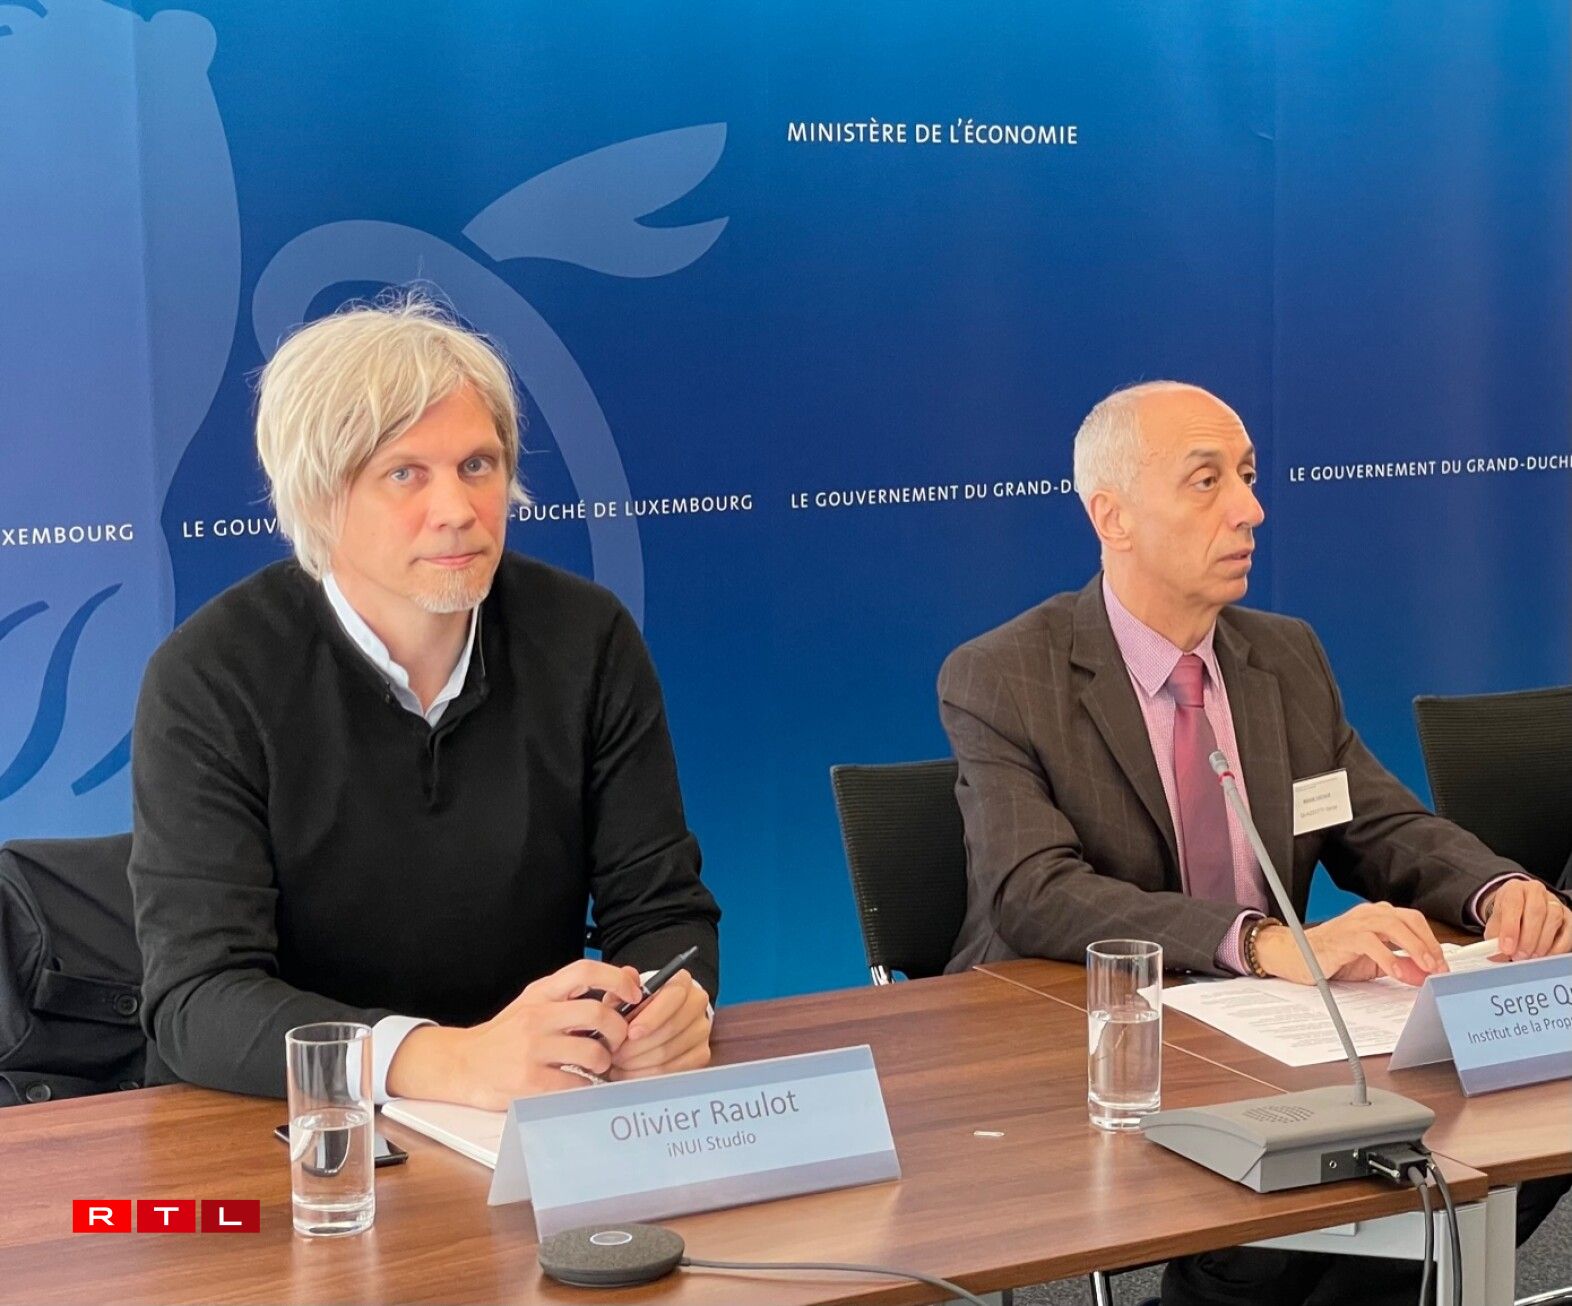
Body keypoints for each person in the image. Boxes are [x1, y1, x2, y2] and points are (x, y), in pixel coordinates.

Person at [939, 380, 1570, 1305]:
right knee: (1330, 1203)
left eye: (1248, 475)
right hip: (1087, 1042)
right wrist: (1263, 941)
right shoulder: (1005, 675)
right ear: (1111, 516)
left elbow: (1377, 823)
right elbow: (1033, 889)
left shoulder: (1284, 656)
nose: (1250, 509)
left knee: (1523, 1139)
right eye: (1208, 482)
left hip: (1269, 1042)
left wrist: (1495, 890)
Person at [130, 296, 720, 1111]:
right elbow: (198, 999)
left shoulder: (588, 637)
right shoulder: (210, 675)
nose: (458, 511)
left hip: (537, 1108)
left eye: (477, 465)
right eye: (405, 473)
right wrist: (447, 1062)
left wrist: (668, 1008)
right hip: (291, 1129)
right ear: (319, 497)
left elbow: (661, 906)